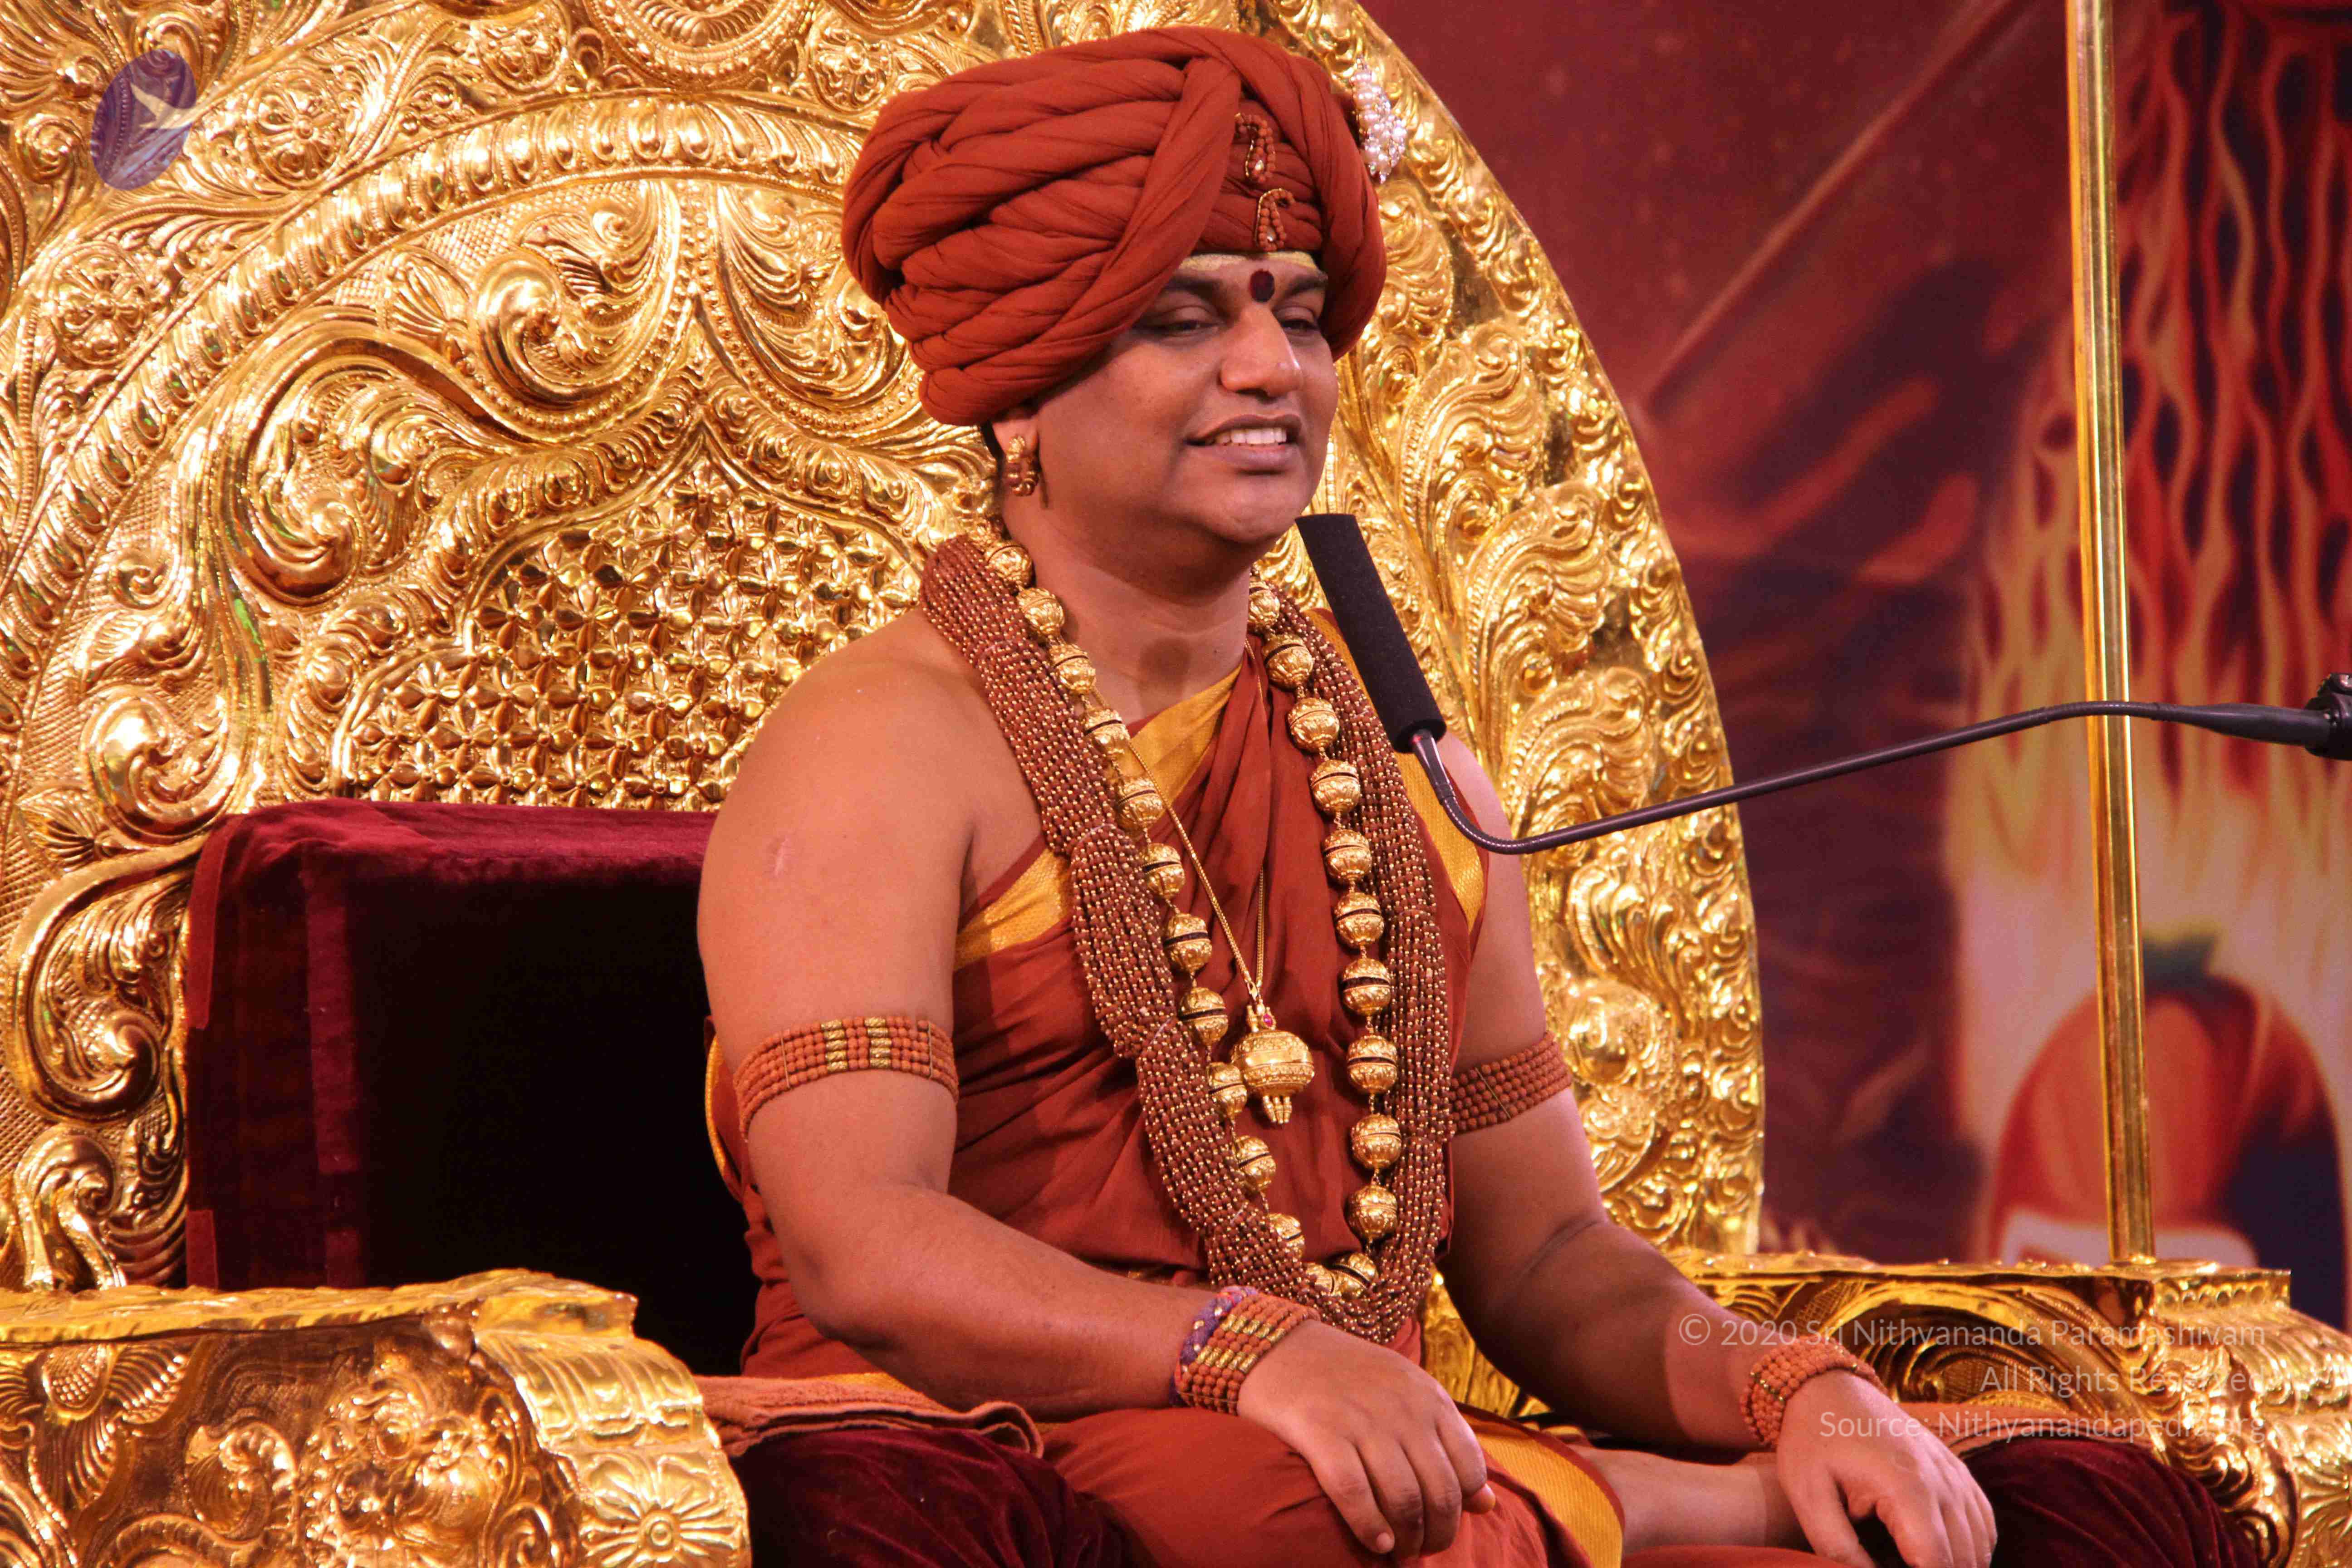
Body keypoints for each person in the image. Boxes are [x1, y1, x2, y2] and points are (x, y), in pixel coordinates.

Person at [696, 25, 2255, 1568]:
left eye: (1301, 315)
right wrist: (1255, 1354)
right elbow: (865, 1246)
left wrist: (1800, 1388)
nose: (1271, 369)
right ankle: (1651, 1506)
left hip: (1379, 1455)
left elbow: (1550, 1256)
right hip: (990, 1438)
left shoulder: (1403, 773)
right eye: (1184, 318)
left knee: (2007, 1511)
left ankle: (1640, 1503)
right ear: (1017, 393)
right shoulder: (880, 745)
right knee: (1351, 1519)